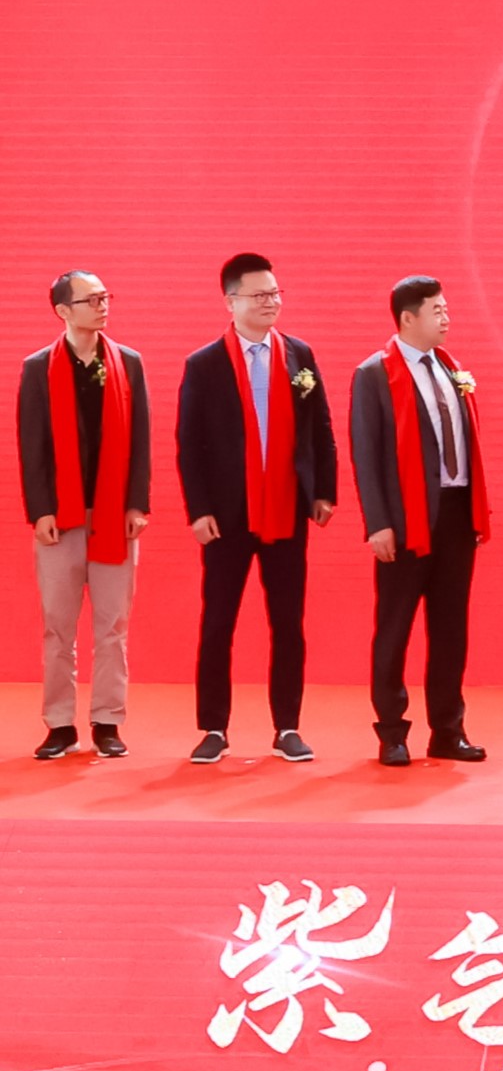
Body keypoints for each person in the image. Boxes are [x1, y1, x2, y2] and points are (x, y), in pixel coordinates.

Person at [177, 253, 339, 764]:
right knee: (218, 623)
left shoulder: (299, 355)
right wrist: (199, 509)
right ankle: (213, 728)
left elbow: (321, 428)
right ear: (231, 301)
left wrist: (324, 491)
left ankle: (287, 726)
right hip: (227, 515)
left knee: (288, 623)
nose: (271, 302)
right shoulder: (204, 364)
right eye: (259, 294)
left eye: (275, 293)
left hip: (287, 507)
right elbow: (189, 442)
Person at [350, 276, 489, 766]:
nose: (446, 317)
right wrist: (378, 523)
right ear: (408, 318)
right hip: (404, 518)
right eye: (436, 310)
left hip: (455, 515)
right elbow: (365, 454)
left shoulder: (451, 368)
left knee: (451, 628)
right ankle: (392, 732)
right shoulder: (374, 374)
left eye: (446, 308)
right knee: (395, 629)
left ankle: (448, 730)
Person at [16, 271, 151, 759]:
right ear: (62, 311)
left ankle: (107, 721)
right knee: (58, 626)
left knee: (113, 625)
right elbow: (31, 444)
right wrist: (40, 511)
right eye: (91, 300)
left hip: (115, 513)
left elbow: (141, 438)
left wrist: (137, 503)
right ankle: (59, 724)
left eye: (104, 297)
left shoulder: (128, 362)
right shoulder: (38, 368)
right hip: (62, 515)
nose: (102, 305)